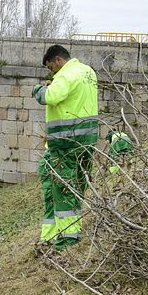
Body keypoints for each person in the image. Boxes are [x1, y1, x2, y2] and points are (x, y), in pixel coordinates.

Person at [31, 44, 98, 250]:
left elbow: (50, 97)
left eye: (51, 67)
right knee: (78, 185)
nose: (52, 71)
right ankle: (72, 231)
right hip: (87, 140)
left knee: (63, 187)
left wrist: (39, 89)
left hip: (65, 143)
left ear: (58, 60)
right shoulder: (88, 72)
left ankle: (68, 237)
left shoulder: (65, 75)